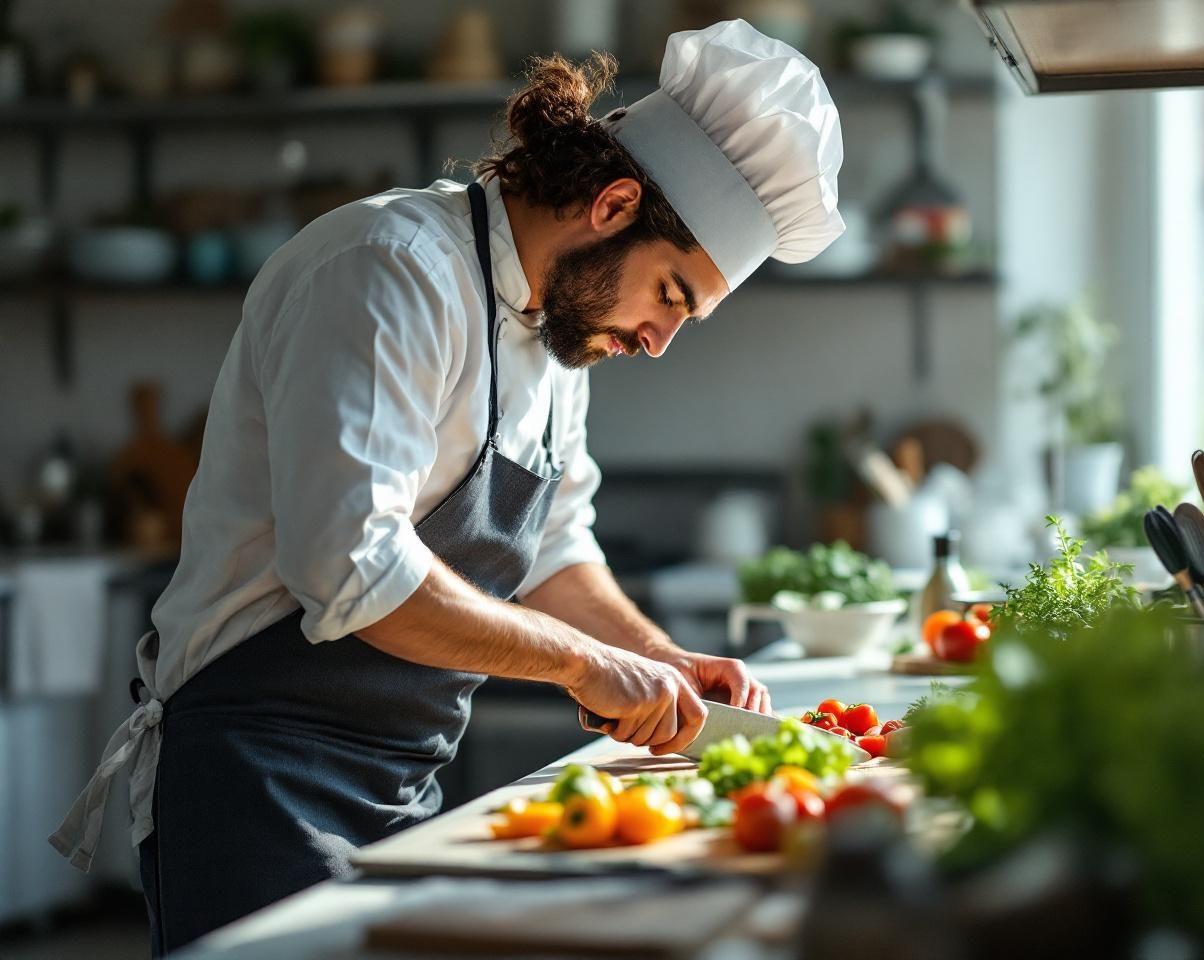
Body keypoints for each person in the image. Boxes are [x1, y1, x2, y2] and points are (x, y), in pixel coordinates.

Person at [52, 19, 844, 955]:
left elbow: (554, 549)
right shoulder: (390, 271)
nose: (659, 341)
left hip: (408, 783)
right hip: (255, 777)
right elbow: (352, 570)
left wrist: (656, 656)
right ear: (615, 204)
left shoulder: (559, 341)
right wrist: (582, 664)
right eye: (670, 295)